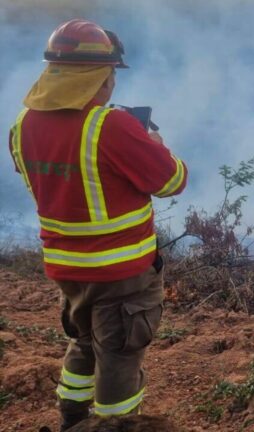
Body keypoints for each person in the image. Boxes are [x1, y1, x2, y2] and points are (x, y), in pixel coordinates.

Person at [8, 19, 188, 431]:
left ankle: (72, 419)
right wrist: (155, 147)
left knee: (83, 342)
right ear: (99, 78)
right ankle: (116, 425)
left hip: (66, 272)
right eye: (109, 76)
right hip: (122, 275)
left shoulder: (22, 127)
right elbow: (172, 181)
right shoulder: (112, 127)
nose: (111, 85)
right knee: (121, 356)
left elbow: (56, 184)